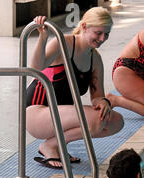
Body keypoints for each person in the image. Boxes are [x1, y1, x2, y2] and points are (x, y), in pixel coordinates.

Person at [26, 8, 124, 169]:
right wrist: (43, 38)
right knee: (95, 120)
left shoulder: (95, 58)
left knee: (116, 121)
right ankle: (50, 146)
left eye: (106, 34)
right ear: (84, 26)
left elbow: (97, 96)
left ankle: (54, 145)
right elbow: (36, 68)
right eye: (98, 33)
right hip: (36, 112)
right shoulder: (63, 43)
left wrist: (103, 102)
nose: (102, 38)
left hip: (58, 115)